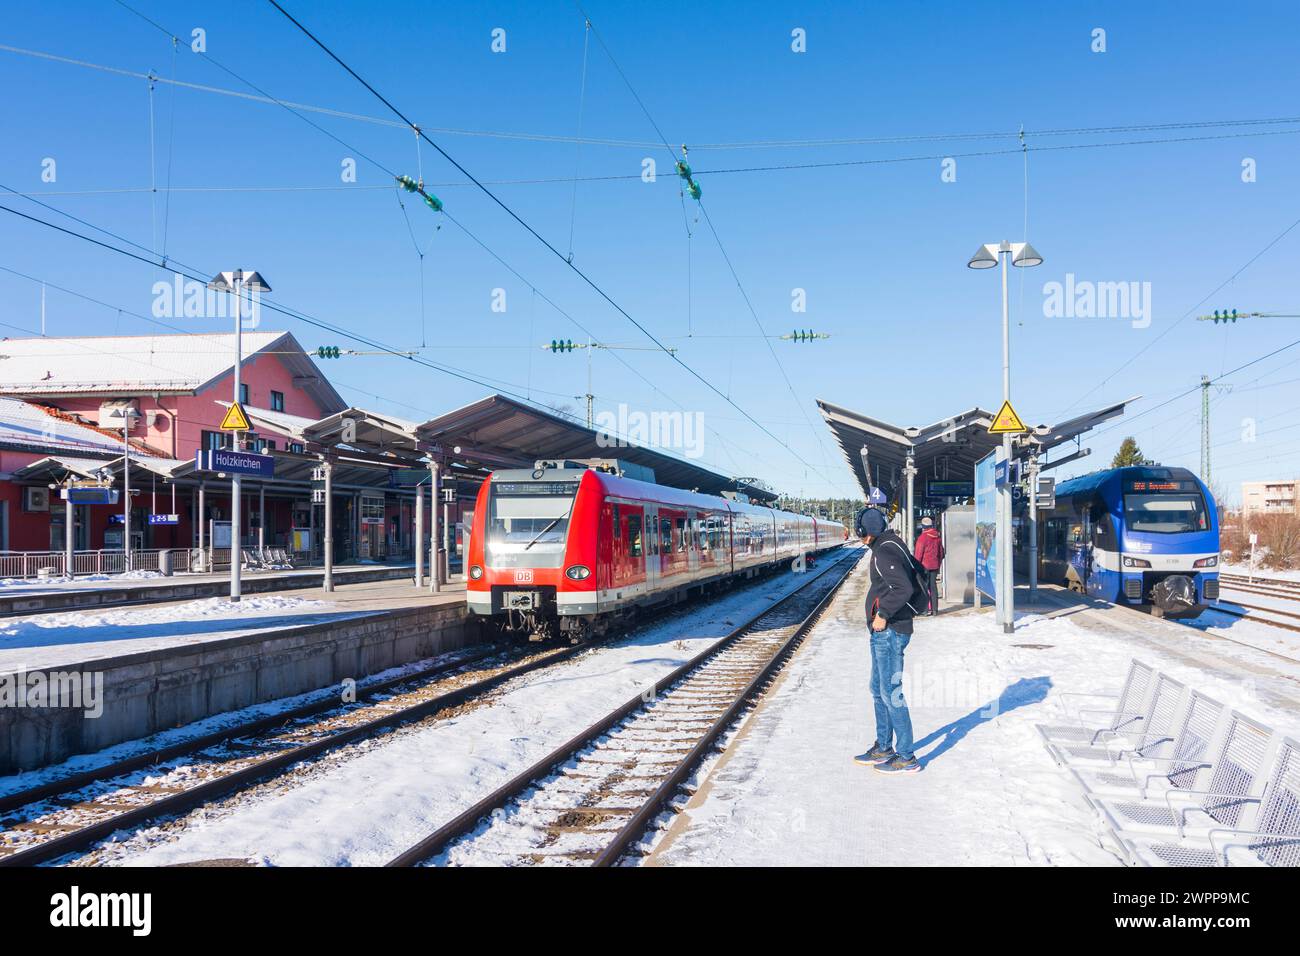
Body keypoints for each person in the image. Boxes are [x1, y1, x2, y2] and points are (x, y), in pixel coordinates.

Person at [854, 507, 924, 774]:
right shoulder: (887, 545)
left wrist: (882, 614)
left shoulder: (883, 551)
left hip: (891, 631)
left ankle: (906, 755)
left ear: (865, 531)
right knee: (877, 689)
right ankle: (884, 746)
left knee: (891, 693)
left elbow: (903, 588)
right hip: (885, 632)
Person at [913, 516, 945, 616]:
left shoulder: (922, 538)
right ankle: (935, 610)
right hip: (934, 566)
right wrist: (938, 563)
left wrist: (915, 567)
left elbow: (918, 555)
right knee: (933, 587)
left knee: (924, 588)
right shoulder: (938, 537)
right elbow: (942, 553)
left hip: (924, 567)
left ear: (923, 526)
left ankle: (925, 610)